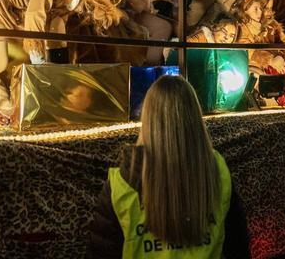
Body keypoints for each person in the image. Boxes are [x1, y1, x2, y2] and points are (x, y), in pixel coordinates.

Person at [88, 75, 250, 258]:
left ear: (147, 119)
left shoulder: (121, 185)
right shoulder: (218, 172)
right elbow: (237, 248)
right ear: (196, 117)